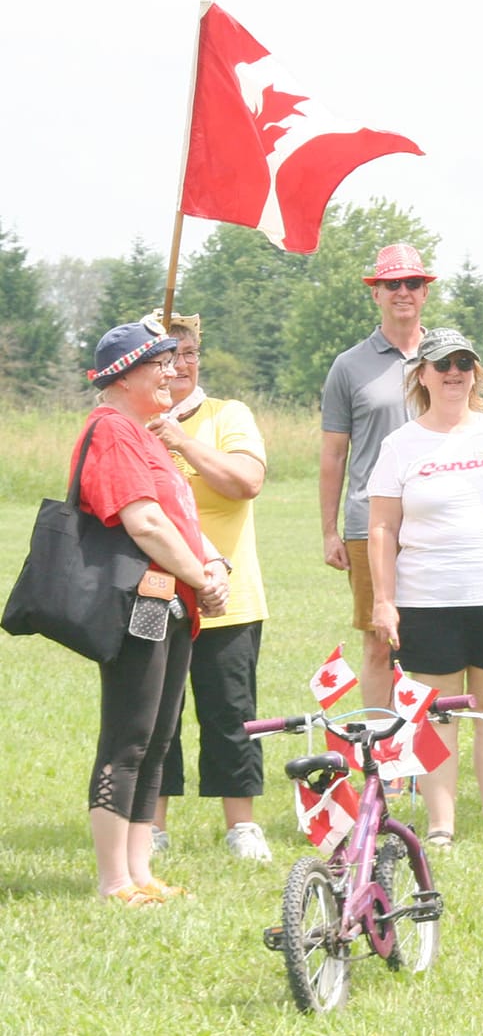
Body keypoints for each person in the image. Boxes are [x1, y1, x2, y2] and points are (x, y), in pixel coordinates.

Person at [368, 329, 483, 851]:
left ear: (476, 373)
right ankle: (441, 827)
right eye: (443, 364)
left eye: (464, 363)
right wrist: (384, 599)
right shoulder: (400, 445)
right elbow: (382, 528)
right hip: (428, 597)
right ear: (421, 374)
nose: (454, 373)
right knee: (439, 711)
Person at [74, 320, 230, 904]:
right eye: (159, 363)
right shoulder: (112, 429)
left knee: (158, 736)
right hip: (143, 601)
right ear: (124, 376)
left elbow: (182, 520)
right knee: (129, 734)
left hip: (172, 602)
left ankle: (141, 874)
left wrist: (215, 570)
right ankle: (114, 879)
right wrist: (200, 577)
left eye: (172, 360)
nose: (172, 371)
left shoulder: (145, 434)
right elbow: (144, 522)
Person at [149, 312, 274, 862]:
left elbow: (246, 482)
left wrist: (182, 440)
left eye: (189, 352)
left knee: (231, 712)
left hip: (229, 597)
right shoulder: (130, 421)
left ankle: (240, 825)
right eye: (166, 354)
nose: (179, 364)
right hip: (151, 591)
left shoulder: (228, 415)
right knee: (154, 713)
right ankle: (150, 825)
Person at [321, 243, 432, 710]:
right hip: (370, 524)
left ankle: (428, 746)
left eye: (412, 283)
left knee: (434, 639)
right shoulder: (349, 365)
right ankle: (381, 748)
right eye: (392, 284)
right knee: (379, 639)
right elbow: (333, 454)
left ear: (425, 292)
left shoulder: (447, 357)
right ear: (376, 294)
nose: (402, 292)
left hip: (436, 518)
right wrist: (329, 531)